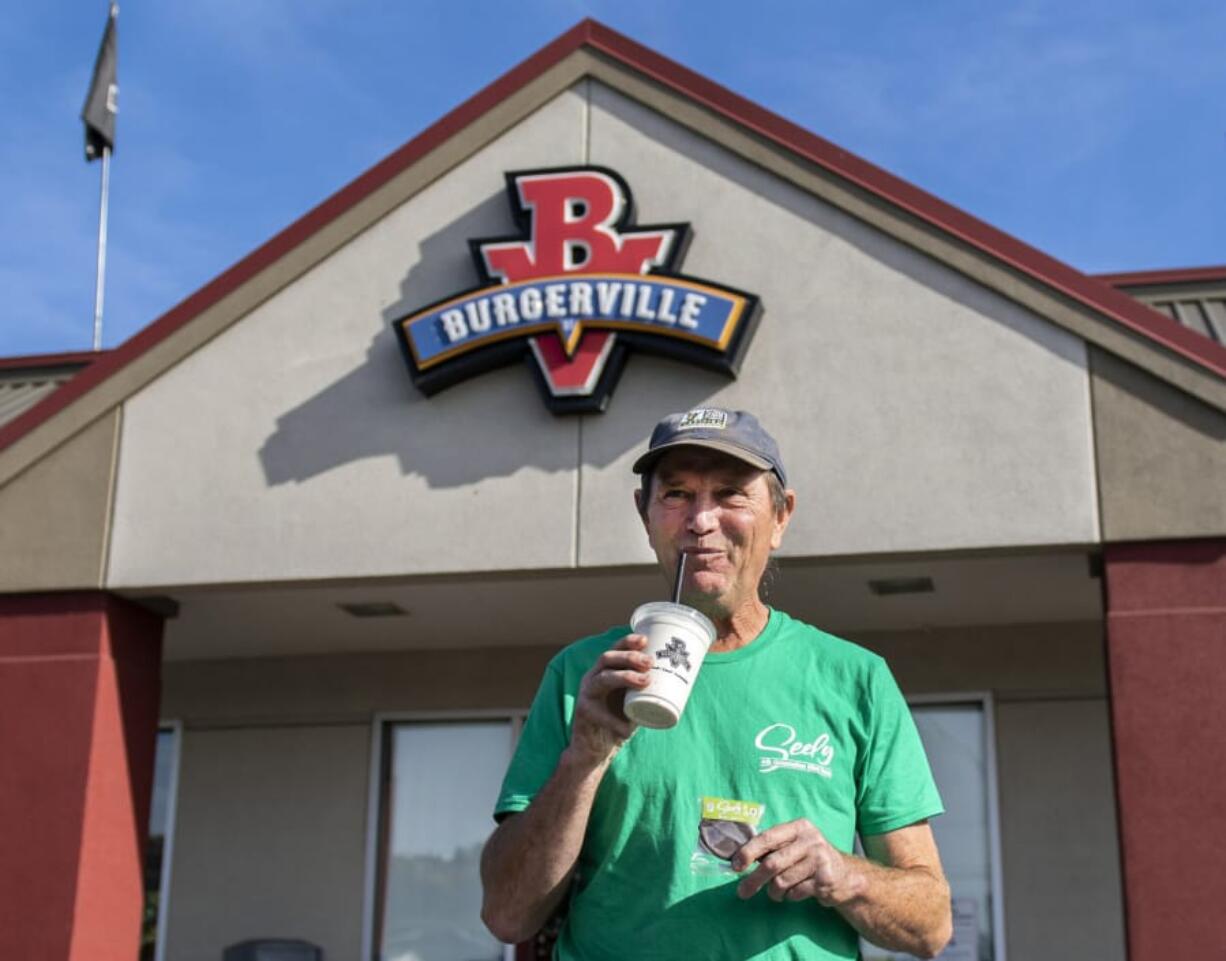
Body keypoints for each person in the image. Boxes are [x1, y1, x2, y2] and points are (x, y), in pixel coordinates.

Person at [481, 408, 952, 960]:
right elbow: (508, 913)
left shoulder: (854, 679)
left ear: (781, 517)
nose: (701, 521)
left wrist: (843, 874)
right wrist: (585, 757)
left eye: (730, 495)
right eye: (676, 495)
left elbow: (932, 926)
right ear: (645, 513)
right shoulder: (587, 675)